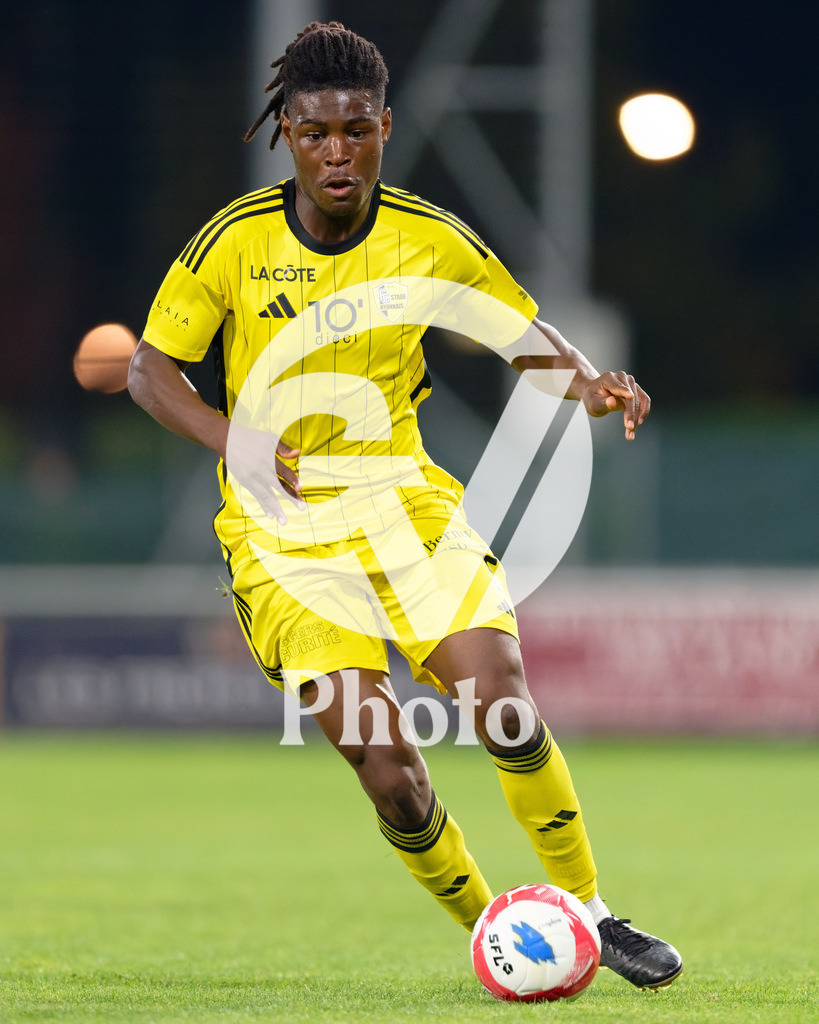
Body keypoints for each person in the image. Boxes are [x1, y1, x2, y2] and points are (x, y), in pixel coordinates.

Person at [128, 21, 682, 991]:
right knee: (388, 767)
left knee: (500, 702)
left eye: (355, 130)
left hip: (404, 505)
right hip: (282, 536)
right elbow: (148, 367)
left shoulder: (426, 238)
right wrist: (235, 440)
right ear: (286, 136)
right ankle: (501, 932)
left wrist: (589, 382)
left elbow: (518, 330)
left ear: (383, 125)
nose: (336, 153)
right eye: (314, 134)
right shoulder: (234, 244)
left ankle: (590, 910)